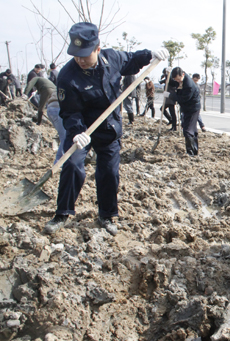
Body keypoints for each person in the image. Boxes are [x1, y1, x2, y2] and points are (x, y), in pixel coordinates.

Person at [43, 22, 168, 235]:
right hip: (82, 129)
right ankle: (62, 213)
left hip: (108, 128)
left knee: (109, 172)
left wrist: (150, 54)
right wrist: (76, 133)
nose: (80, 60)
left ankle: (106, 215)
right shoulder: (67, 76)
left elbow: (131, 60)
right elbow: (70, 112)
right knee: (72, 165)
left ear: (97, 49)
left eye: (85, 55)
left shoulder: (111, 59)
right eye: (76, 55)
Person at [166, 67, 201, 155]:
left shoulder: (189, 85)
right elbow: (171, 83)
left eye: (178, 79)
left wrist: (170, 95)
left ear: (183, 75)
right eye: (176, 79)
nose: (177, 81)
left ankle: (191, 153)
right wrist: (168, 74)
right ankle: (194, 151)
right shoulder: (180, 80)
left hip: (192, 108)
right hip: (186, 108)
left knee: (188, 130)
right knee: (192, 130)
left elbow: (183, 99)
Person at [45, 90, 65, 164]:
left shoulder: (59, 85)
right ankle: (58, 162)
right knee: (65, 137)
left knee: (63, 135)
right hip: (58, 109)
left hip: (50, 109)